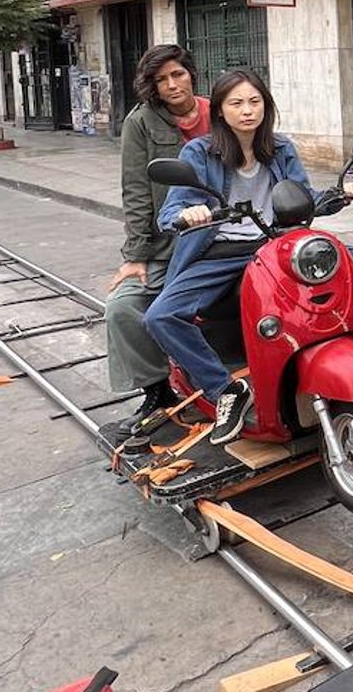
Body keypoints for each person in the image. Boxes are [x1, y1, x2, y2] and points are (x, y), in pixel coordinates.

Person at [144, 68, 353, 446]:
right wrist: (190, 214)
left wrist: (339, 193)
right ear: (220, 111)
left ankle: (335, 350)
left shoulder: (279, 147)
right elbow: (171, 213)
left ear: (266, 107)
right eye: (236, 103)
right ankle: (225, 392)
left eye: (255, 102)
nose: (247, 110)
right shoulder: (199, 152)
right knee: (162, 316)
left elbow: (301, 198)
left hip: (275, 245)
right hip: (220, 252)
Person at [105, 45, 210, 439]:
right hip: (169, 243)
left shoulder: (222, 111)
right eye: (161, 79)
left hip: (229, 234)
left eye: (178, 74)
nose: (172, 85)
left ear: (191, 73)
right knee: (122, 308)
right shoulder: (141, 123)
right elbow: (135, 191)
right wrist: (136, 256)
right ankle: (158, 390)